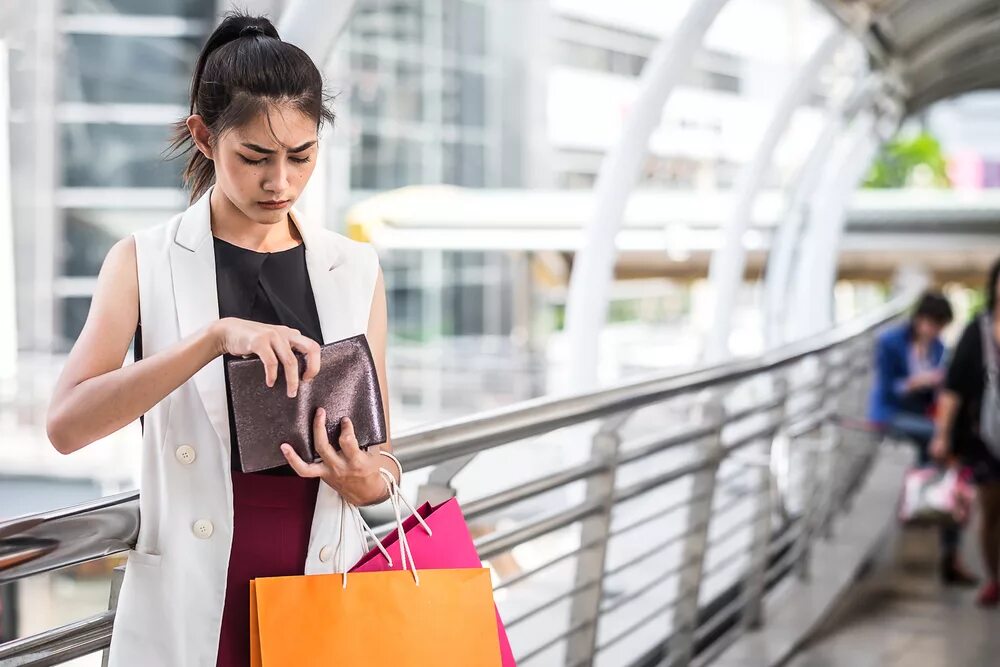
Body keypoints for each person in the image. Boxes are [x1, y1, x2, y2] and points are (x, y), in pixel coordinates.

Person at [44, 13, 397, 666]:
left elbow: (382, 456)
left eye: (301, 154)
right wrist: (209, 339)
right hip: (195, 591)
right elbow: (66, 426)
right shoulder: (142, 261)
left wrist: (366, 482)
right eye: (255, 157)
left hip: (322, 589)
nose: (280, 182)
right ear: (203, 137)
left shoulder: (355, 269)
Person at [869, 290, 976, 585]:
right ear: (920, 319)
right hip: (891, 414)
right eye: (933, 322)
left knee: (946, 445)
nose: (934, 330)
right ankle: (939, 522)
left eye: (940, 325)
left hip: (922, 417)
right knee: (942, 442)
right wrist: (920, 382)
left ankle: (948, 542)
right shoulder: (890, 342)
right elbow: (888, 389)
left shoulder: (939, 348)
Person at [933, 258, 1000, 606]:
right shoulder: (978, 330)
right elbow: (953, 388)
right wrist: (942, 434)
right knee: (991, 511)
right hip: (986, 438)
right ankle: (995, 579)